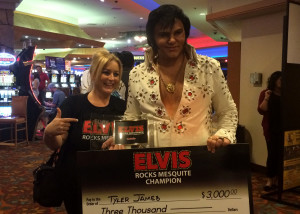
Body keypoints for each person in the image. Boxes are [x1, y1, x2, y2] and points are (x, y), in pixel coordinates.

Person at [103, 4, 238, 153]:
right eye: (164, 34)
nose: (172, 40)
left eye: (178, 32)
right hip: (153, 164)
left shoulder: (209, 67)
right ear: (153, 38)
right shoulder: (138, 73)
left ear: (185, 33)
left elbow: (228, 112)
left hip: (199, 161)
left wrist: (222, 135)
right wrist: (120, 137)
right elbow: (133, 117)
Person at [43, 48, 126, 213]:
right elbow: (56, 143)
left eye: (116, 74)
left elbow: (130, 142)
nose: (111, 78)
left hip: (110, 181)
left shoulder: (123, 108)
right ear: (94, 74)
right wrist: (48, 133)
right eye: (106, 72)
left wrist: (123, 142)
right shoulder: (73, 104)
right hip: (76, 182)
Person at [258, 71, 282, 191]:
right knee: (272, 154)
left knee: (281, 155)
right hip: (271, 128)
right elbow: (261, 110)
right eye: (280, 80)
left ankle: (277, 179)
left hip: (284, 128)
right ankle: (269, 180)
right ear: (274, 80)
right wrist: (267, 98)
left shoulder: (286, 94)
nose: (282, 82)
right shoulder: (266, 93)